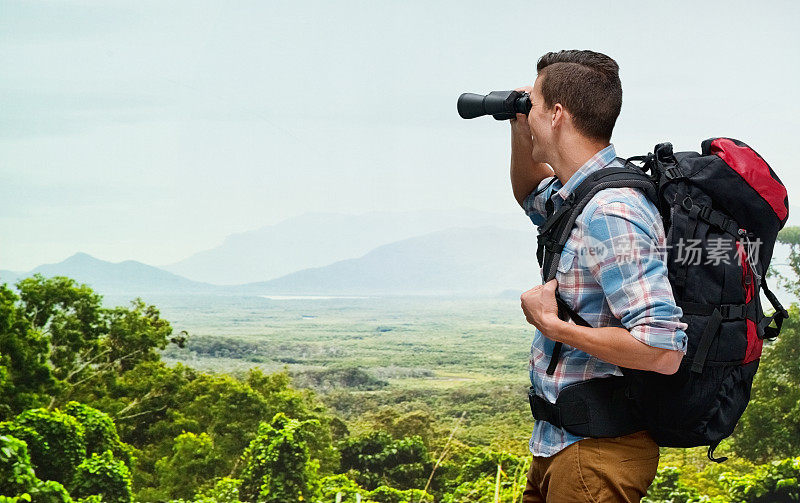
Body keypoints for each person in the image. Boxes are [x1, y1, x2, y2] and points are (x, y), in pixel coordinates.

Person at [513, 50, 689, 502]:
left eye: (530, 105)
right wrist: (518, 126)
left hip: (596, 455)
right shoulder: (581, 194)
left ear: (556, 114)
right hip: (561, 444)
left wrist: (552, 327)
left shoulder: (611, 212)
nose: (525, 112)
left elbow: (663, 348)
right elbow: (531, 194)